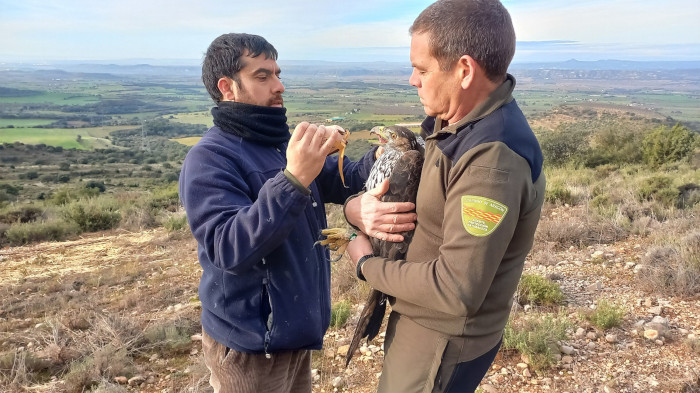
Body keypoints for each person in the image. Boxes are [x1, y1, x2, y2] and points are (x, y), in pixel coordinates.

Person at [179, 33, 411, 393]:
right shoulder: (209, 160)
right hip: (251, 348)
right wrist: (295, 178)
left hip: (294, 333)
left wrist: (386, 153)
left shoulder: (282, 143)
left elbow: (344, 179)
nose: (279, 86)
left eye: (277, 74)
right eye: (263, 77)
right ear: (227, 87)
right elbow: (228, 248)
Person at [344, 1, 546, 392]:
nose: (412, 80)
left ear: (465, 71)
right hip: (419, 320)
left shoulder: (491, 161)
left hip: (440, 339)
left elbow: (455, 290)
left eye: (421, 69)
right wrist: (359, 211)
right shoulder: (456, 125)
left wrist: (365, 264)